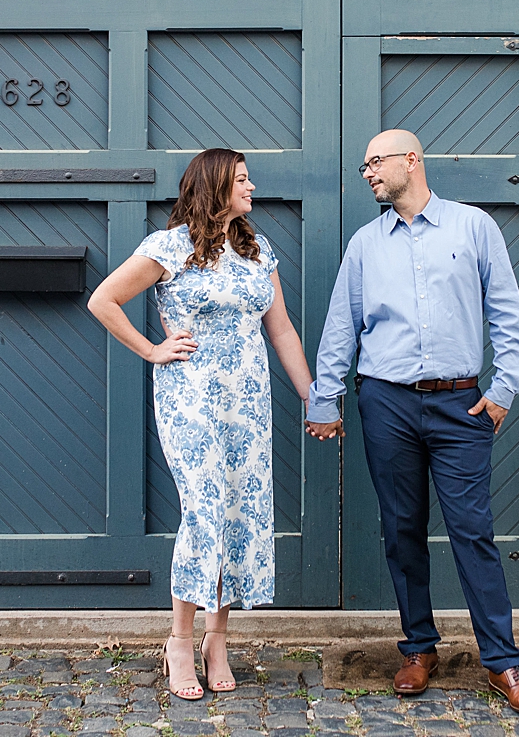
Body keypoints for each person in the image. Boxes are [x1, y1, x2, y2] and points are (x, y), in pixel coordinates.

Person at [305, 129, 519, 715]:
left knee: (472, 532)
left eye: (374, 162)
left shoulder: (473, 227)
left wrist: (501, 392)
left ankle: (504, 662)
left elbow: (508, 317)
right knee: (402, 529)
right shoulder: (366, 243)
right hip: (385, 403)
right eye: (364, 164)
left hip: (460, 405)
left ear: (410, 161)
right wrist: (325, 398)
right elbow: (343, 325)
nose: (367, 172)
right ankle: (419, 648)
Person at [88, 148, 315, 701]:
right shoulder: (169, 247)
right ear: (215, 186)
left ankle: (219, 640)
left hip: (248, 402)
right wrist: (152, 349)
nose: (253, 186)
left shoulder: (259, 251)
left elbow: (281, 331)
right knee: (205, 510)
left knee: (238, 511)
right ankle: (180, 641)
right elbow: (104, 299)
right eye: (242, 179)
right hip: (191, 400)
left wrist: (313, 398)